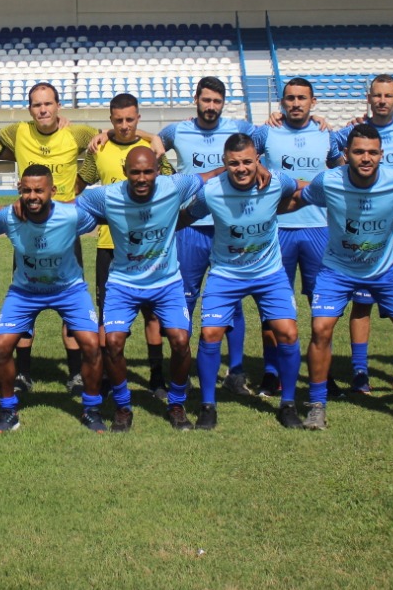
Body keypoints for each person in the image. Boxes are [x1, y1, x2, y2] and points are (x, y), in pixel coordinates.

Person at [296, 124, 393, 431]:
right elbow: (299, 197)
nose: (366, 158)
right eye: (359, 152)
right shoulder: (329, 181)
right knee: (320, 329)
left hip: (385, 270)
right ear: (346, 154)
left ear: (381, 155)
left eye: (372, 152)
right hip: (337, 270)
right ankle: (316, 405)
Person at [75, 147, 208, 431]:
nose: (142, 177)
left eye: (148, 171)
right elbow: (79, 203)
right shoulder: (108, 195)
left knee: (181, 342)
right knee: (112, 343)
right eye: (135, 172)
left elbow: (205, 179)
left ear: (158, 171)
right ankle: (123, 407)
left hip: (167, 282)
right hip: (124, 283)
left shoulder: (175, 185)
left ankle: (176, 403)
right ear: (125, 172)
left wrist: (238, 172)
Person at [182, 133, 306, 430]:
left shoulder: (277, 181)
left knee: (287, 332)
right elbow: (188, 216)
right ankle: (208, 405)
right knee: (210, 334)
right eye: (234, 163)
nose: (241, 168)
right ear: (224, 164)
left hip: (269, 273)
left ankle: (288, 404)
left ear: (258, 161)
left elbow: (301, 189)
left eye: (248, 162)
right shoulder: (211, 192)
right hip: (226, 274)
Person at [0, 81, 100, 392]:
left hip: (64, 227)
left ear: (58, 107)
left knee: (71, 301)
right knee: (26, 296)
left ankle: (76, 374)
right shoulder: (18, 131)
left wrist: (80, 185)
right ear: (30, 109)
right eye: (37, 105)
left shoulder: (76, 133)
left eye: (48, 104)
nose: (43, 109)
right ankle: (23, 374)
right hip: (27, 225)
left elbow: (106, 140)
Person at [157, 77, 258, 398]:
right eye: (206, 100)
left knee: (233, 300)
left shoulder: (241, 128)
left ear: (223, 103)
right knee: (185, 299)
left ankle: (236, 371)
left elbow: (273, 141)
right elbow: (152, 144)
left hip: (229, 226)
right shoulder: (177, 130)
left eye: (217, 101)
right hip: (190, 228)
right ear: (196, 100)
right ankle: (182, 371)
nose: (211, 107)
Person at [0, 165, 105, 433]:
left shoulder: (71, 215)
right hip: (24, 292)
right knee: (2, 346)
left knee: (92, 345)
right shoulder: (9, 216)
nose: (32, 196)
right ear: (19, 191)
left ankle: (91, 409)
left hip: (69, 290)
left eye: (39, 190)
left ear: (52, 191)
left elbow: (102, 213)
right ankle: (8, 410)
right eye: (27, 190)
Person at [79, 93, 173, 398]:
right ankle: (108, 375)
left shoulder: (152, 150)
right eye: (117, 120)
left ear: (138, 119)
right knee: (108, 315)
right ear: (110, 120)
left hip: (152, 246)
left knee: (153, 314)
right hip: (110, 245)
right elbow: (81, 186)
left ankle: (157, 376)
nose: (123, 125)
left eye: (129, 119)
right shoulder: (100, 148)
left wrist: (153, 138)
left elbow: (172, 185)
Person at [251, 78, 340, 397]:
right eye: (289, 98)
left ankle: (323, 372)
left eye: (302, 98)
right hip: (276, 230)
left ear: (313, 102)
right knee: (272, 305)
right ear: (281, 103)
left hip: (319, 229)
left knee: (322, 306)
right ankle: (272, 373)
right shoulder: (265, 133)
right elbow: (237, 152)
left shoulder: (327, 133)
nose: (295, 103)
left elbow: (343, 170)